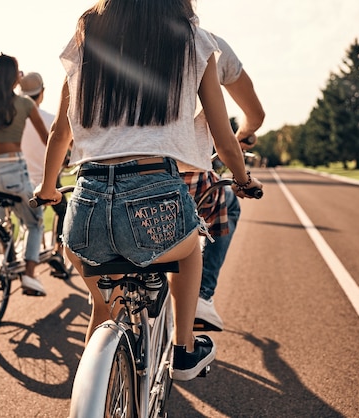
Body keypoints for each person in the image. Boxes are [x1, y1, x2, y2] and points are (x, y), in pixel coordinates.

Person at [35, 0, 263, 381]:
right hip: (156, 192)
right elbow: (224, 139)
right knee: (192, 249)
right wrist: (242, 179)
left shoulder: (87, 37)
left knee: (104, 307)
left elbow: (61, 133)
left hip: (87, 205)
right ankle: (185, 349)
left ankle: (95, 387)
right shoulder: (195, 42)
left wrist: (47, 190)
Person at [192, 30, 266, 332]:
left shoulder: (109, 38)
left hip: (106, 175)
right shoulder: (205, 45)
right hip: (184, 172)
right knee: (230, 205)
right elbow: (254, 115)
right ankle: (202, 295)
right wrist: (242, 173)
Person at [0, 54, 49, 296]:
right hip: (13, 172)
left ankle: (1, 239)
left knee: (4, 207)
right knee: (35, 222)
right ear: (13, 77)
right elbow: (47, 139)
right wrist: (66, 158)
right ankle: (29, 275)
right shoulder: (25, 104)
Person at [19, 72, 68, 254]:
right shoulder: (48, 119)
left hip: (23, 179)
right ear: (42, 92)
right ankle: (58, 250)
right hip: (47, 181)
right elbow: (64, 141)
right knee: (64, 211)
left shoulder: (16, 121)